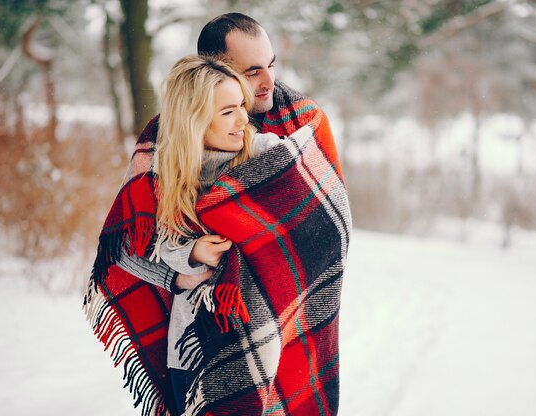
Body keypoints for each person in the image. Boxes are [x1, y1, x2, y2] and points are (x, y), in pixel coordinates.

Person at [84, 12, 350, 416]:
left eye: (272, 64)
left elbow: (329, 232)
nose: (268, 83)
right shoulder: (162, 150)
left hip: (284, 335)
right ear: (213, 71)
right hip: (197, 342)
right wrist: (185, 268)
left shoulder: (299, 130)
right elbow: (129, 247)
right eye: (253, 70)